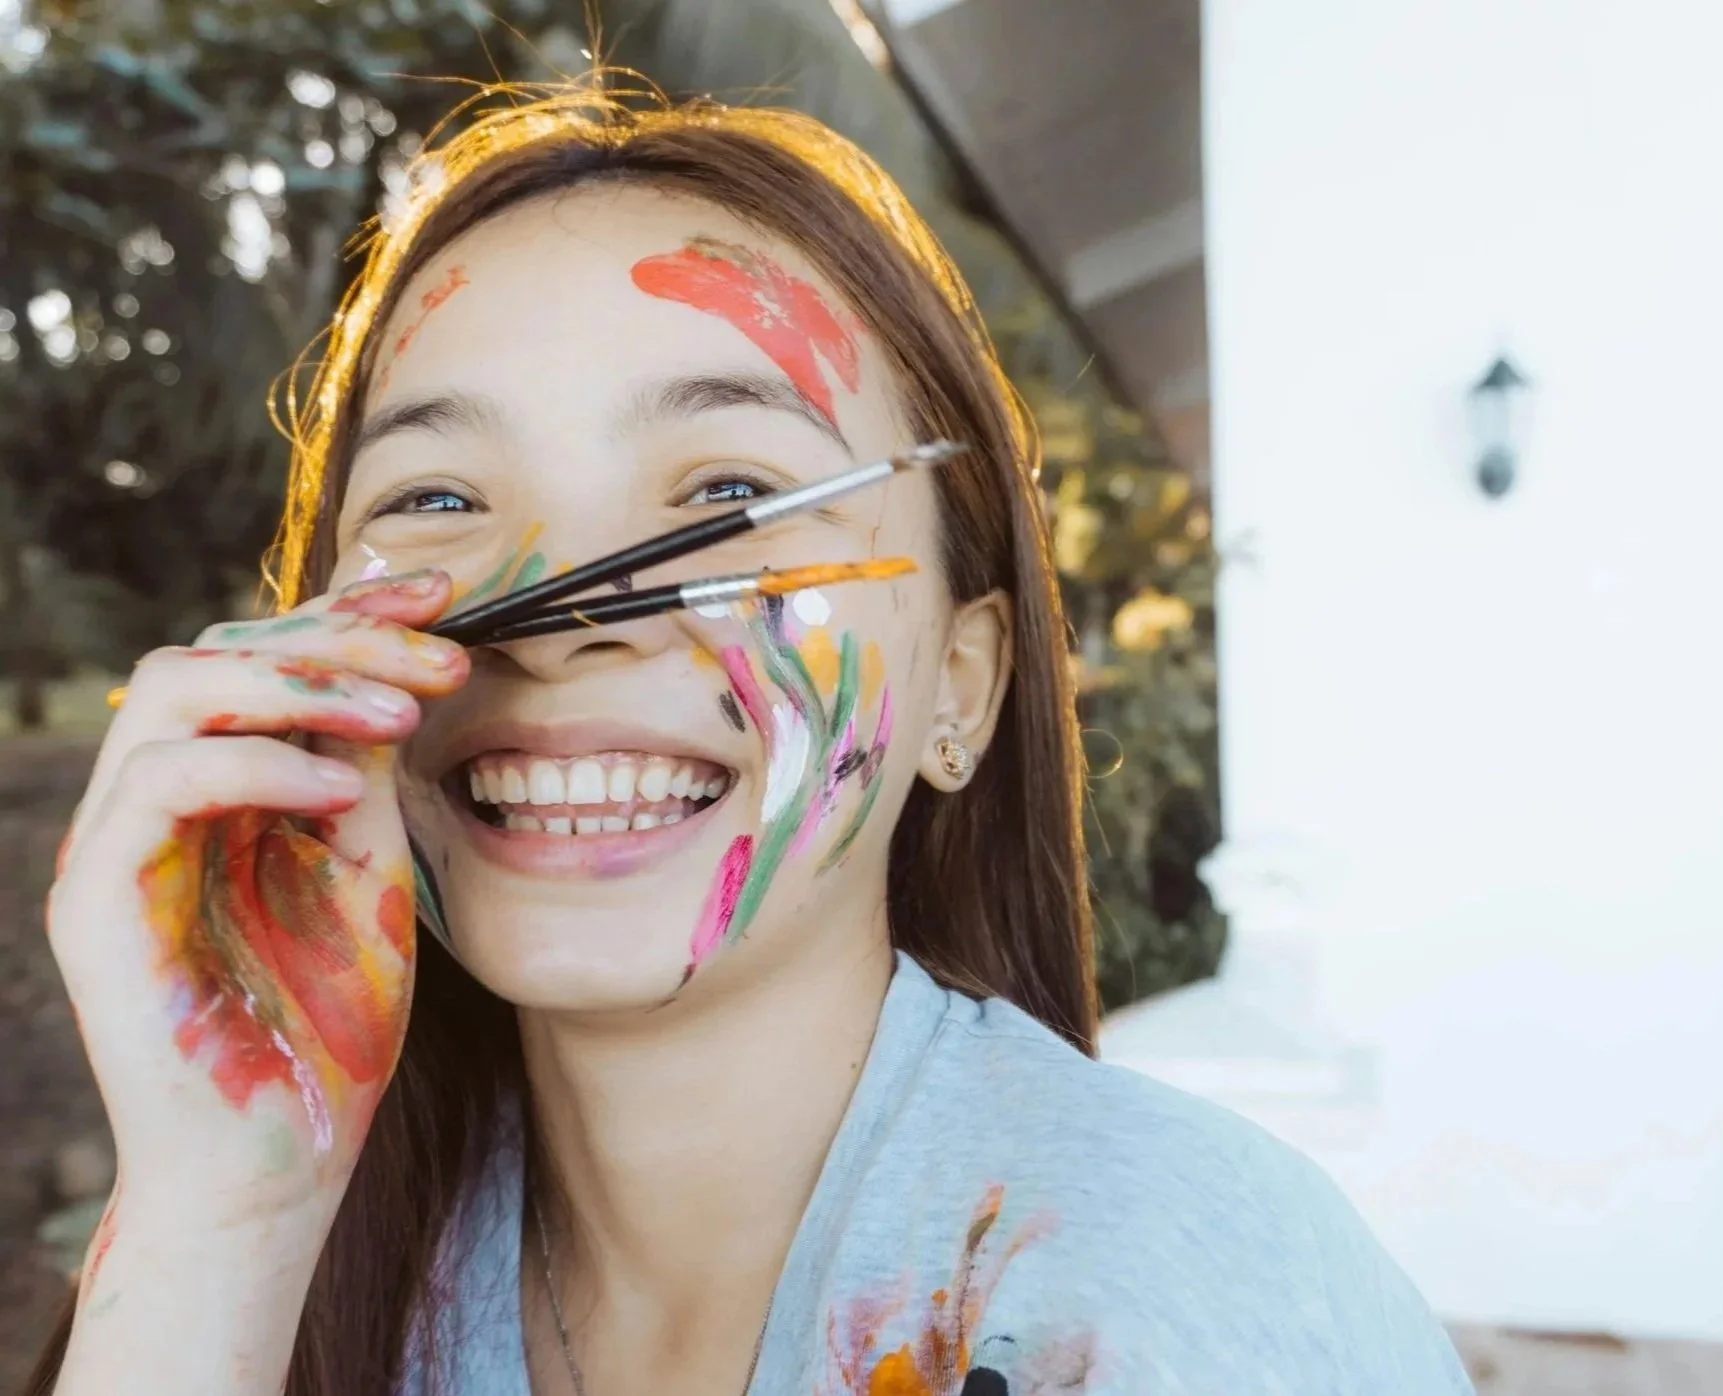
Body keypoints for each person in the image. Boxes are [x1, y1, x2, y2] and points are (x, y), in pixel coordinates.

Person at [29, 87, 1474, 1396]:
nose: (555, 617)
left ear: (960, 685)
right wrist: (223, 1212)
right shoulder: (298, 1260)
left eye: (725, 492)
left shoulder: (1142, 1293)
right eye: (439, 499)